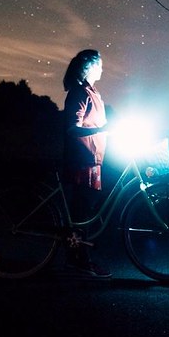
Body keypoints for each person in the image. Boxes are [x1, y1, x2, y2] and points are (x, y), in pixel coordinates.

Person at [61, 49, 112, 278]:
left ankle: (79, 257)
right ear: (89, 67)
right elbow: (72, 127)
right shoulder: (80, 93)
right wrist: (101, 130)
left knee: (86, 211)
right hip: (82, 160)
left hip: (92, 159)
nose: (102, 69)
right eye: (99, 65)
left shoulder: (93, 93)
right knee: (82, 213)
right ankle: (79, 260)